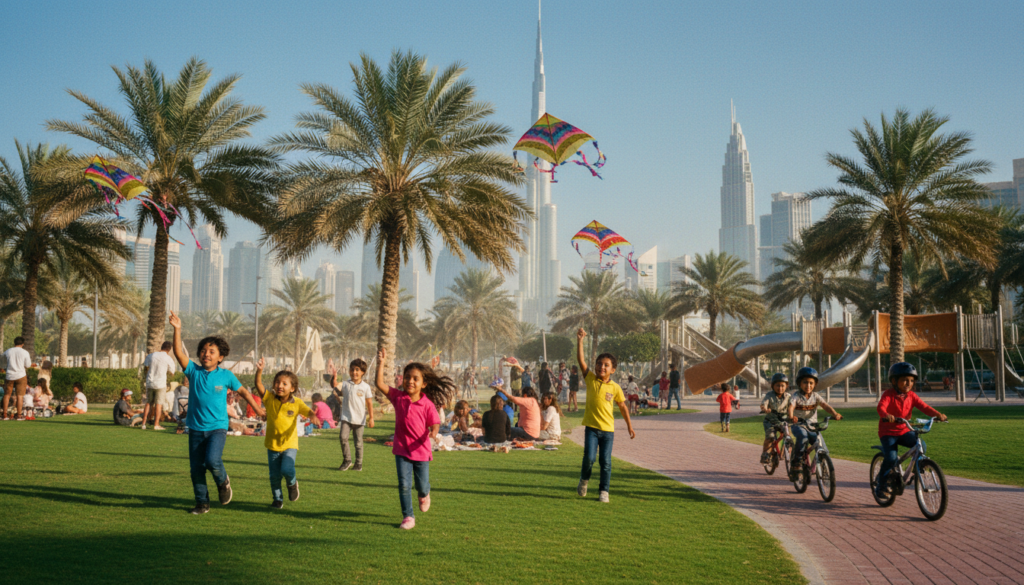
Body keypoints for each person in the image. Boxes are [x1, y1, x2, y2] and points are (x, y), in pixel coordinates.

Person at [169, 311, 263, 515]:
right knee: (196, 470)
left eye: (211, 351)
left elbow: (244, 392)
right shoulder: (193, 371)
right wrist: (177, 329)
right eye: (203, 350)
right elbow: (178, 353)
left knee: (212, 461)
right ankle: (202, 503)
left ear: (220, 357)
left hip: (217, 428)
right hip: (194, 429)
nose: (206, 354)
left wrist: (258, 409)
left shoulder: (226, 375)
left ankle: (223, 481)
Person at [374, 348, 456, 530]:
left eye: (415, 378)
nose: (410, 381)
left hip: (421, 450)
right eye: (407, 377)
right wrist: (381, 362)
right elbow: (379, 383)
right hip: (402, 449)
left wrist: (434, 432)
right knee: (403, 484)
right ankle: (408, 517)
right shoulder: (398, 397)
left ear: (424, 384)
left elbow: (435, 423)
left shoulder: (427, 404)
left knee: (422, 484)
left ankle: (425, 494)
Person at [576, 328, 635, 503]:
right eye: (599, 364)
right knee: (589, 458)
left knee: (606, 462)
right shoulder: (591, 379)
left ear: (613, 370)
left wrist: (629, 426)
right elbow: (581, 361)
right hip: (592, 429)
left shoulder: (615, 387)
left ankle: (604, 491)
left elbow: (623, 407)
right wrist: (580, 340)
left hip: (608, 431)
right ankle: (584, 480)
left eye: (606, 365)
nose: (602, 367)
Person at [252, 357, 320, 508]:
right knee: (274, 476)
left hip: (290, 444)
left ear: (292, 388)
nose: (280, 386)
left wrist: (313, 416)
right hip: (272, 445)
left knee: (287, 469)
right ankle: (277, 499)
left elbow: (308, 411)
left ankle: (292, 483)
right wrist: (259, 370)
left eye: (284, 383)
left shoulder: (297, 403)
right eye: (277, 382)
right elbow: (258, 384)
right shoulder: (269, 398)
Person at [874, 362, 948, 498]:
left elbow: (924, 407)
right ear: (894, 381)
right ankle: (881, 485)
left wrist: (937, 415)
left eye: (912, 381)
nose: (909, 383)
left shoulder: (912, 396)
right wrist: (886, 415)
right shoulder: (888, 394)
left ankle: (917, 467)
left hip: (904, 430)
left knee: (921, 446)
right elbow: (881, 407)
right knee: (890, 457)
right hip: (888, 432)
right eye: (905, 380)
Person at [787, 367, 843, 476]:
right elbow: (791, 407)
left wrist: (835, 414)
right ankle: (797, 462)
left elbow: (825, 406)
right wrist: (791, 416)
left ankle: (821, 466)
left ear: (815, 384)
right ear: (799, 383)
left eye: (811, 383)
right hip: (799, 425)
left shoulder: (816, 396)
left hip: (812, 426)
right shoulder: (796, 396)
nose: (808, 386)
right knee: (803, 437)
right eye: (805, 383)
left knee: (822, 448)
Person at [330, 358, 375, 471]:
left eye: (357, 370)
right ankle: (347, 460)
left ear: (362, 372)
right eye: (352, 370)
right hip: (346, 417)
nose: (354, 372)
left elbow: (369, 403)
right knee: (343, 437)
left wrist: (371, 418)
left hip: (359, 420)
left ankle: (358, 464)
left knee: (358, 443)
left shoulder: (365, 387)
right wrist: (334, 377)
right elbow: (335, 385)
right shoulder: (346, 384)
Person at [141, 341, 177, 431]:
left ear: (162, 346)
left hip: (150, 382)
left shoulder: (151, 355)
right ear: (169, 349)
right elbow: (172, 372)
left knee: (148, 403)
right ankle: (156, 424)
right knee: (158, 404)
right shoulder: (168, 358)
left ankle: (143, 423)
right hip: (160, 384)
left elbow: (146, 367)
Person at [758, 373, 792, 464]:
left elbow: (793, 407)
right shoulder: (769, 395)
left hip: (783, 421)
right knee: (770, 437)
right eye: (777, 385)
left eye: (782, 386)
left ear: (786, 386)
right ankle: (765, 454)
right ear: (772, 386)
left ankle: (787, 454)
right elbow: (764, 403)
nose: (780, 388)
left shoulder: (788, 396)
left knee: (789, 436)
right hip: (770, 421)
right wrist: (765, 409)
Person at [2, 337, 32, 420]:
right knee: (20, 396)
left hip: (9, 375)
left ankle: (4, 415)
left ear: (14, 343)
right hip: (21, 375)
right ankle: (19, 415)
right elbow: (28, 365)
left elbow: (2, 363)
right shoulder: (25, 352)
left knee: (7, 395)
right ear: (22, 344)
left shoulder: (8, 351)